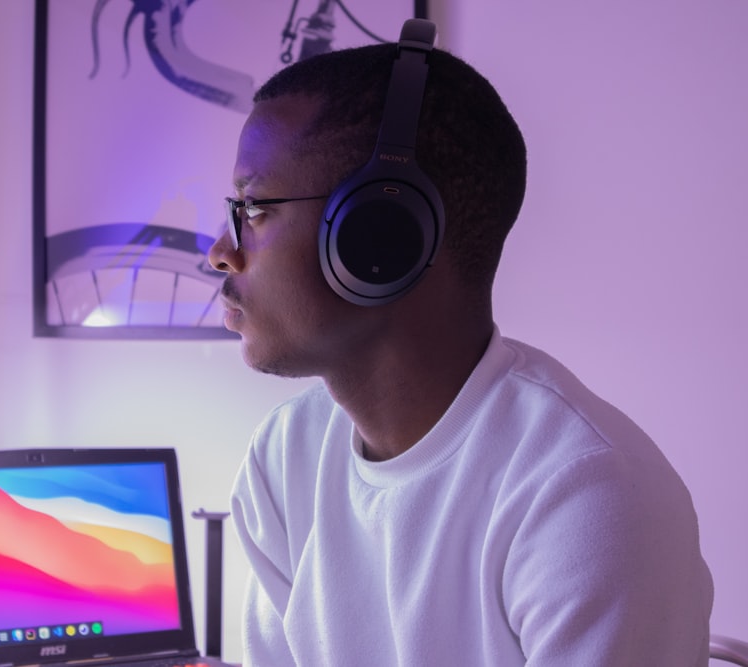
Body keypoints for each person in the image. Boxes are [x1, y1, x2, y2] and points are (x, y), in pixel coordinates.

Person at [206, 20, 713, 667]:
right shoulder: (284, 459)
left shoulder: (587, 496)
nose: (221, 252)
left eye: (252, 209)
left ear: (378, 236)